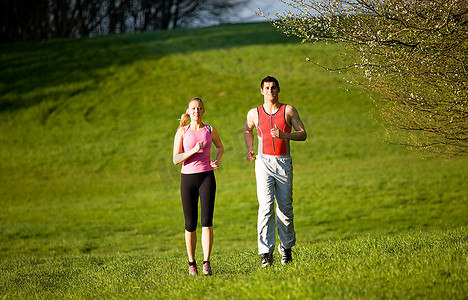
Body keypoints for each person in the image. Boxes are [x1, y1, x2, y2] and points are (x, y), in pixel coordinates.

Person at [243, 76, 307, 267]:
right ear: (261, 91)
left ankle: (286, 249)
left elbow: (303, 133)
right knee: (265, 207)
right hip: (263, 163)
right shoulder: (254, 113)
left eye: (273, 88)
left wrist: (284, 135)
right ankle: (265, 253)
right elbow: (247, 129)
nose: (270, 91)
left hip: (283, 162)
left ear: (278, 90)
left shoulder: (288, 110)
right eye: (266, 88)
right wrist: (250, 148)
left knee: (285, 208)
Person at [173, 97, 224, 276]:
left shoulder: (210, 130)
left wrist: (217, 160)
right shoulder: (182, 131)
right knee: (190, 224)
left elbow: (220, 147)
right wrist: (194, 150)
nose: (197, 111)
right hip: (188, 179)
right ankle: (192, 263)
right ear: (188, 110)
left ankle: (206, 263)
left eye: (200, 108)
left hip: (207, 177)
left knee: (207, 222)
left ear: (204, 111)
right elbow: (175, 159)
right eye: (193, 108)